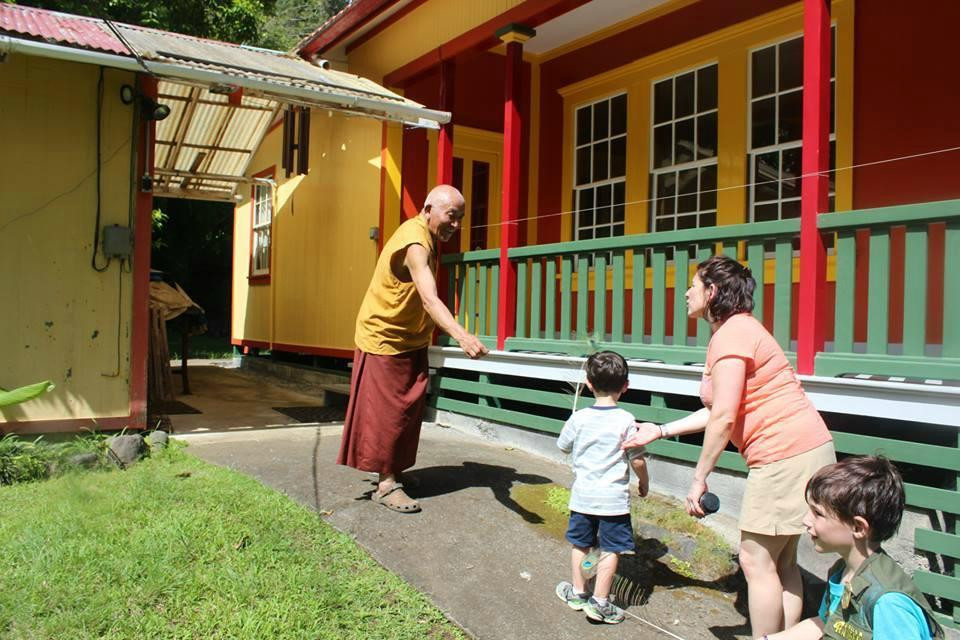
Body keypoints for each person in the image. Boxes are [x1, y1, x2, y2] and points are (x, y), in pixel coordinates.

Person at [622, 254, 835, 637]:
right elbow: (724, 409)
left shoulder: (731, 334)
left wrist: (698, 479)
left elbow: (723, 418)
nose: (687, 292)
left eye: (693, 284)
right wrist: (662, 429)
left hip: (782, 454)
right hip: (807, 446)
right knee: (783, 562)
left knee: (755, 562)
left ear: (713, 291)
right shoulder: (740, 330)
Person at [337, 184, 488, 513]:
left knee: (409, 408)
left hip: (410, 337)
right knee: (388, 413)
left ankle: (396, 470)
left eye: (461, 218)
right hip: (384, 338)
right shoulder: (416, 242)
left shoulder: (429, 235)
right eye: (451, 216)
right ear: (428, 208)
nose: (456, 225)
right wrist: (461, 336)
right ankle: (386, 483)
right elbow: (429, 298)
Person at [759, 456, 943, 640]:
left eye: (818, 513)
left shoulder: (888, 604)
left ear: (858, 527)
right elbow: (824, 623)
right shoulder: (842, 571)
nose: (805, 520)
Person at [555, 351, 649, 625]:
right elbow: (638, 459)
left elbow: (562, 446)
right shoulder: (627, 420)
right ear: (625, 386)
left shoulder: (579, 418)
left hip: (583, 497)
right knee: (609, 550)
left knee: (581, 545)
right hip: (614, 502)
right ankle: (600, 602)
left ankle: (578, 592)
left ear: (588, 383)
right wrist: (644, 482)